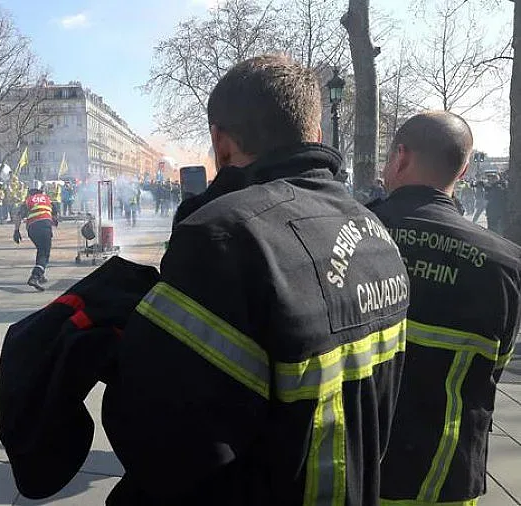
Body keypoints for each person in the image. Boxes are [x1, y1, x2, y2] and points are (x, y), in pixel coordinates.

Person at [101, 55, 409, 505]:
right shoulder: (376, 232)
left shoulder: (225, 236)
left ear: (220, 143)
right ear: (316, 134)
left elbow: (161, 442)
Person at [368, 111, 521, 505]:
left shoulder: (350, 237)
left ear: (400, 157)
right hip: (445, 476)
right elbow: (494, 368)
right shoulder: (505, 266)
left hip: (359, 472)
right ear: (464, 169)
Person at [13, 181, 57, 291]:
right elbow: (55, 215)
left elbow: (18, 216)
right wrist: (55, 221)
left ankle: (41, 276)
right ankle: (35, 276)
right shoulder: (47, 199)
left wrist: (16, 231)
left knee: (40, 249)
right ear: (41, 190)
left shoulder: (28, 200)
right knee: (44, 253)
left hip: (32, 229)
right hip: (45, 226)